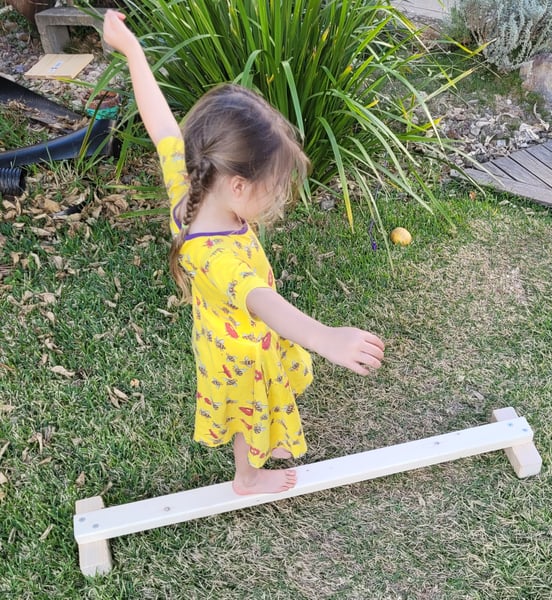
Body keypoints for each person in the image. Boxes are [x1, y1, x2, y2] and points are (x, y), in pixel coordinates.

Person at [102, 10, 385, 496]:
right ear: (236, 182)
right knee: (246, 411)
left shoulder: (193, 184)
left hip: (240, 337)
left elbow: (161, 124)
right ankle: (247, 477)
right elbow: (264, 303)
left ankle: (262, 449)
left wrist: (133, 51)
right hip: (238, 352)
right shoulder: (217, 259)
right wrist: (326, 338)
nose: (277, 199)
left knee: (260, 404)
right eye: (272, 189)